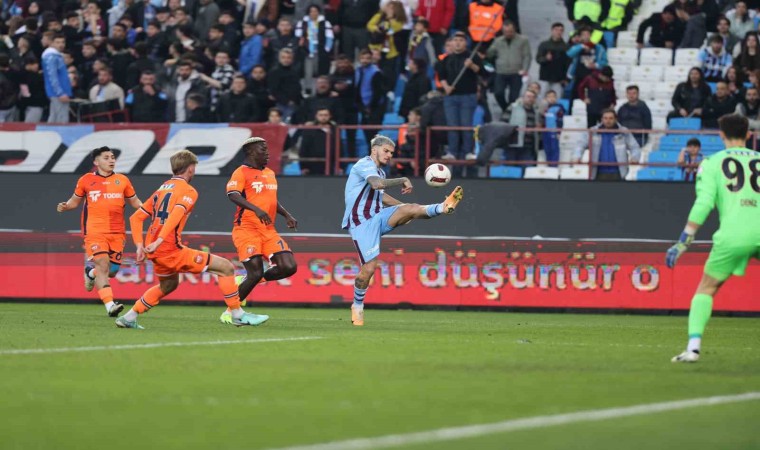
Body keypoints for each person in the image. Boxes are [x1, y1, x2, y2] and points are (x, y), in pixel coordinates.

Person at [119, 150, 266, 329]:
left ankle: (129, 317)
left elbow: (135, 218)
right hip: (169, 249)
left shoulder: (162, 189)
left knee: (168, 285)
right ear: (190, 168)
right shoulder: (188, 190)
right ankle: (237, 314)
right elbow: (176, 214)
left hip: (155, 250)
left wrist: (139, 246)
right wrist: (159, 240)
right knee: (226, 267)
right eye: (194, 167)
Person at [667, 114, 760, 362]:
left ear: (721, 135)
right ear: (748, 135)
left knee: (706, 288)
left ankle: (693, 349)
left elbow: (704, 203)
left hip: (734, 235)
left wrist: (684, 240)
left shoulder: (711, 163)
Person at [343, 135, 463, 326]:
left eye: (391, 152)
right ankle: (357, 306)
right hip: (361, 223)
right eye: (386, 151)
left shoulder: (380, 172)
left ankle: (443, 207)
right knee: (369, 269)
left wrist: (405, 210)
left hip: (378, 216)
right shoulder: (364, 164)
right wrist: (403, 179)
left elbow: (381, 196)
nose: (389, 155)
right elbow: (376, 184)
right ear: (374, 149)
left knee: (411, 207)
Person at [56, 146, 142, 317]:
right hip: (95, 231)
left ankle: (90, 273)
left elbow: (135, 202)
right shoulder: (86, 180)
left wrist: (149, 209)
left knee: (112, 271)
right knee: (102, 264)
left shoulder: (122, 180)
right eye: (106, 157)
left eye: (112, 157)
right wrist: (65, 206)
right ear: (96, 162)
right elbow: (74, 202)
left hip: (117, 233)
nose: (111, 160)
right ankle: (110, 305)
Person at [220, 138, 298, 324]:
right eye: (263, 149)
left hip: (268, 230)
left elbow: (271, 199)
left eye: (267, 149)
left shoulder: (270, 173)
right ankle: (230, 312)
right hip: (246, 229)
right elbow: (233, 195)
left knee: (289, 267)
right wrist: (256, 209)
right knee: (254, 273)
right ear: (251, 152)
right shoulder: (240, 172)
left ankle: (245, 281)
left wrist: (286, 214)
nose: (267, 153)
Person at [437, 31, 483, 173]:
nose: (458, 42)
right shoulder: (446, 59)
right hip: (451, 97)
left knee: (466, 125)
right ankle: (452, 151)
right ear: (451, 43)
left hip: (468, 96)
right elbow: (441, 75)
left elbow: (483, 72)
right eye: (455, 40)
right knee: (452, 125)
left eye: (461, 40)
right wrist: (446, 87)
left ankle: (468, 151)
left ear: (465, 43)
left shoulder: (472, 56)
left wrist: (472, 66)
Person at [573, 108, 641, 180]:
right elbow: (580, 144)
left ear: (615, 119)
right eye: (605, 118)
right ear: (601, 119)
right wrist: (577, 156)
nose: (608, 121)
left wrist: (635, 157)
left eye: (611, 118)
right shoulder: (593, 131)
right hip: (597, 172)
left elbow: (634, 146)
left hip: (619, 172)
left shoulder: (624, 132)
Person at [487, 20, 532, 112]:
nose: (508, 34)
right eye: (506, 32)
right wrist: (490, 50)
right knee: (498, 93)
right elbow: (490, 54)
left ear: (514, 30)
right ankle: (506, 108)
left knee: (514, 97)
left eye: (510, 31)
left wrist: (525, 69)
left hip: (516, 72)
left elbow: (527, 56)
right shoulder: (498, 41)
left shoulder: (523, 40)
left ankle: (510, 112)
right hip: (501, 71)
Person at [42, 34, 71, 123]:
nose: (61, 45)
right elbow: (52, 76)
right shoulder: (52, 57)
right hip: (58, 92)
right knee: (61, 118)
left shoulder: (56, 56)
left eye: (63, 42)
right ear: (51, 43)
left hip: (58, 91)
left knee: (54, 116)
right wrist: (60, 93)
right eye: (57, 42)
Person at [536, 22, 569, 100]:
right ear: (552, 31)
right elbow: (538, 59)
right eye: (556, 30)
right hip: (545, 77)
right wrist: (546, 59)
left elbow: (567, 64)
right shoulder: (544, 45)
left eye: (561, 30)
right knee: (542, 97)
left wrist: (565, 78)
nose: (558, 32)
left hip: (559, 79)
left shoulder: (565, 47)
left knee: (557, 98)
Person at [541, 89, 565, 166]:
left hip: (554, 131)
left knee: (554, 149)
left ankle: (554, 167)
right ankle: (549, 166)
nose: (551, 98)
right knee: (547, 149)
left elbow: (560, 121)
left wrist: (559, 132)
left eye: (553, 96)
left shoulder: (559, 107)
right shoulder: (544, 108)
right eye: (549, 97)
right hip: (545, 132)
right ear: (546, 98)